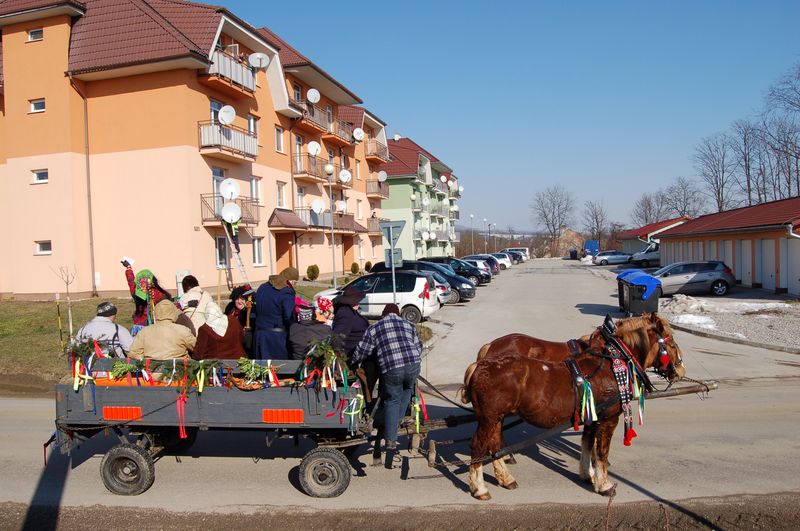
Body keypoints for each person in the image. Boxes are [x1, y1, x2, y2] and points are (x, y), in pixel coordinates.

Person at [350, 304, 423, 450]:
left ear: (383, 315)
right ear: (398, 314)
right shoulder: (409, 324)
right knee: (407, 390)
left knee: (392, 400)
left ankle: (390, 439)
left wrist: (352, 362)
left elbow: (362, 351)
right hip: (413, 364)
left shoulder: (374, 328)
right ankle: (397, 421)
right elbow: (418, 347)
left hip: (392, 368)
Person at [254, 266, 299, 360]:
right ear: (290, 281)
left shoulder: (263, 287)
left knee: (262, 368)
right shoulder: (286, 292)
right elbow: (289, 317)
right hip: (276, 340)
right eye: (295, 282)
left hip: (259, 336)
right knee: (279, 368)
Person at [128, 299, 197, 360]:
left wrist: (146, 362)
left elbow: (133, 354)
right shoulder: (183, 330)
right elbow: (197, 348)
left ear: (156, 313)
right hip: (178, 369)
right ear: (174, 313)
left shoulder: (144, 332)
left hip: (152, 370)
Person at [122, 260, 177, 336]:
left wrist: (128, 268)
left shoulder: (137, 293)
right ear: (152, 280)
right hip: (156, 328)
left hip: (139, 329)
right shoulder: (159, 293)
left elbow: (131, 281)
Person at [332, 287, 369, 363]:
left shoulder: (350, 311)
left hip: (360, 350)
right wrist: (341, 359)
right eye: (356, 301)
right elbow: (338, 337)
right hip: (352, 355)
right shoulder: (345, 313)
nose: (358, 303)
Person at [225, 284, 256, 355]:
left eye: (242, 299)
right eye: (237, 299)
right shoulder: (230, 308)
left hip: (247, 342)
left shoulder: (252, 309)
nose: (239, 301)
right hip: (231, 341)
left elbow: (254, 323)